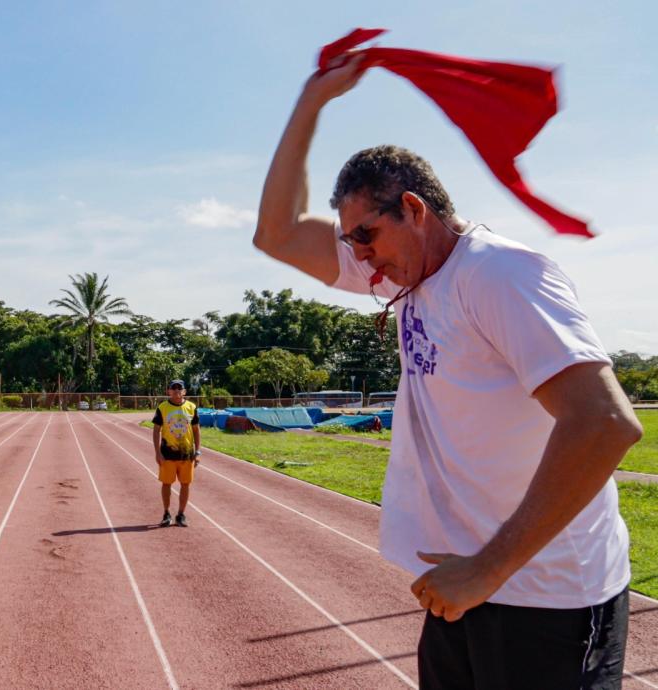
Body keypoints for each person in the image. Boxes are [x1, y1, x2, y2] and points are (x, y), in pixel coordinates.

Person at [253, 54, 643, 688]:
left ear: (414, 208)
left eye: (366, 235)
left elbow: (604, 425)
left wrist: (489, 568)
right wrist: (311, 103)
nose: (359, 257)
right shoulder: (404, 276)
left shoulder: (499, 274)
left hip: (548, 596)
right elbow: (277, 233)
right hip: (463, 587)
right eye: (350, 242)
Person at [152, 380, 201, 527]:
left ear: (184, 391)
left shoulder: (191, 407)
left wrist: (197, 452)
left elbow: (196, 430)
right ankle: (166, 513)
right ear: (168, 391)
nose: (177, 391)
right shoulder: (163, 407)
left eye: (180, 388)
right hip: (167, 454)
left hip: (187, 455)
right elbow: (156, 431)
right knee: (166, 483)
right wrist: (157, 452)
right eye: (173, 388)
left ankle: (181, 514)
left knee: (185, 484)